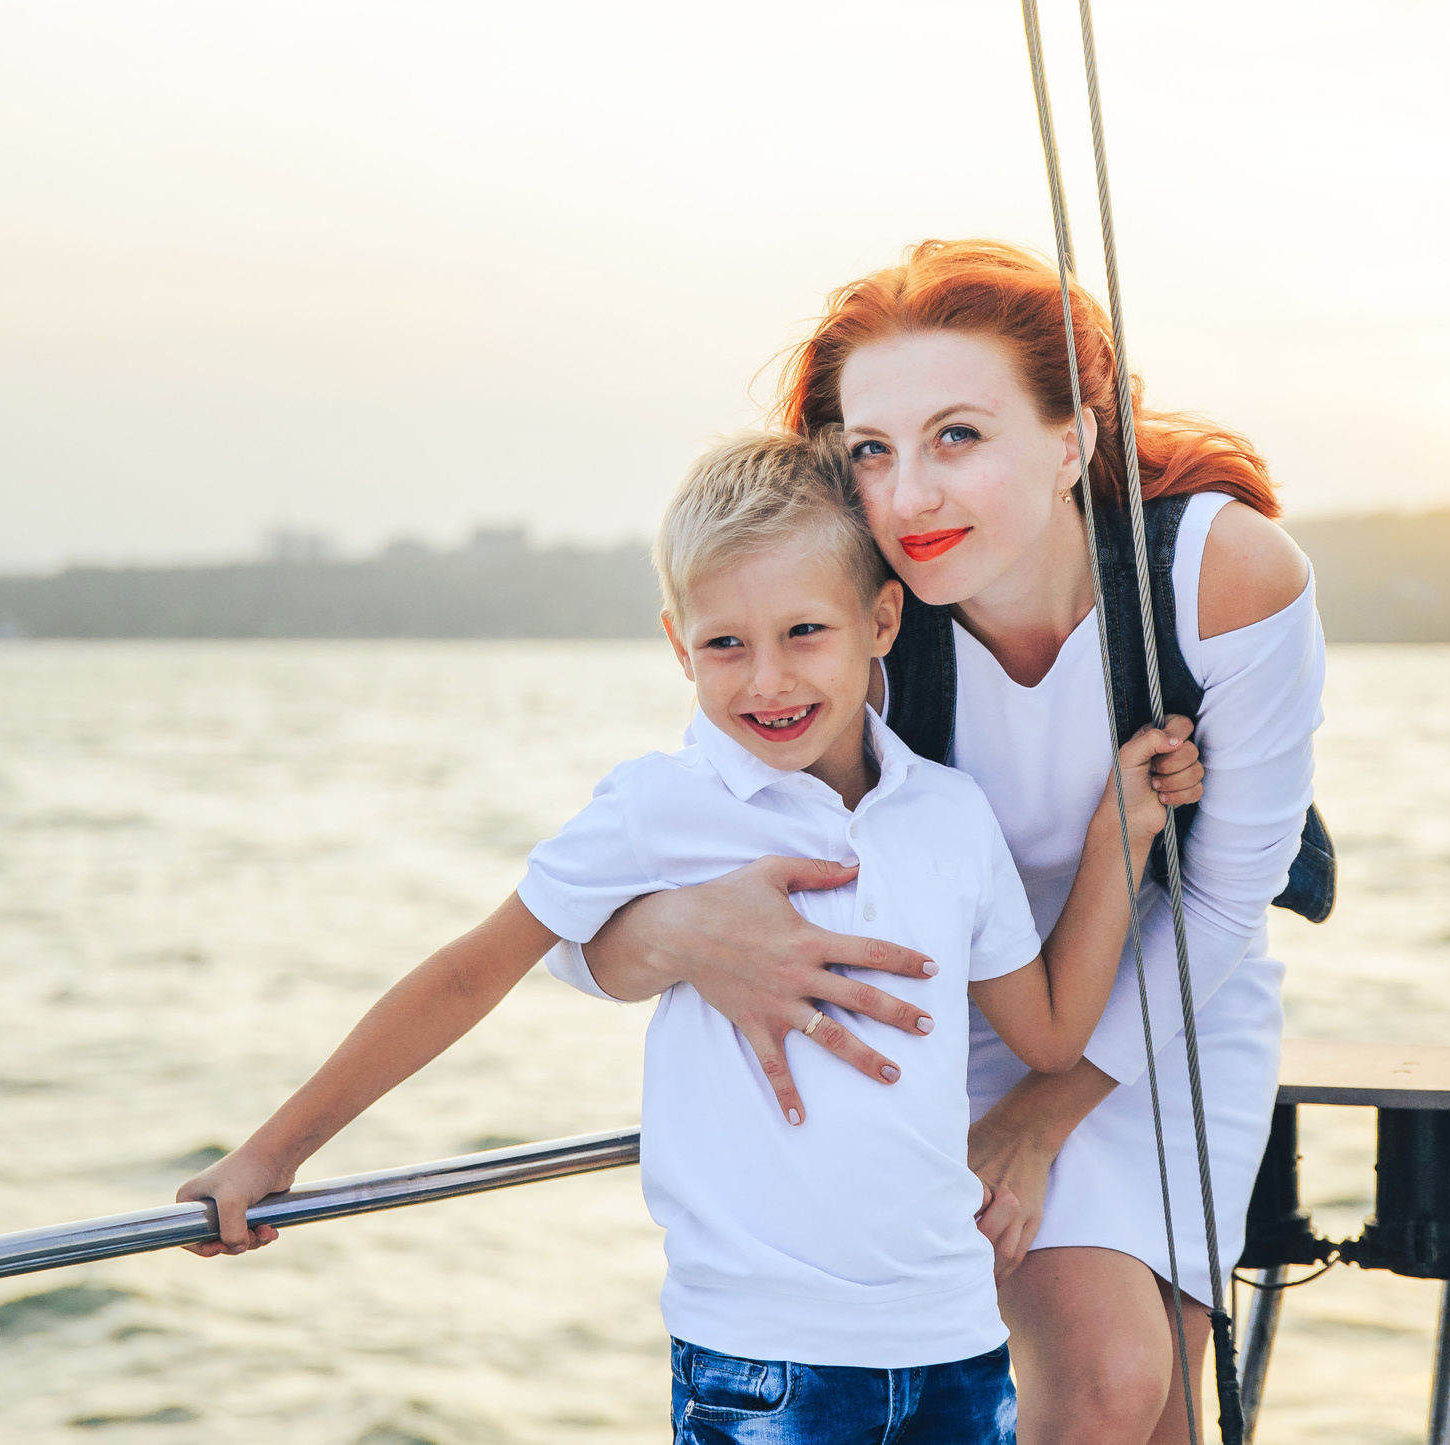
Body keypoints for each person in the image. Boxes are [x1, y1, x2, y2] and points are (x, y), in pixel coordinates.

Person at [175, 428, 1193, 1445]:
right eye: (724, 644)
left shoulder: (951, 814)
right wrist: (270, 1152)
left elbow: (1051, 1034)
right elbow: (467, 975)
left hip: (954, 1344)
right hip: (763, 1358)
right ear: (677, 644)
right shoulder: (659, 805)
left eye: (804, 631)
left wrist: (1118, 836)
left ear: (881, 619)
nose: (767, 681)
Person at [561, 240, 1324, 1445]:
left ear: (1073, 436)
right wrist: (681, 931)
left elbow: (1229, 904)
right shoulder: (845, 606)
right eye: (871, 449)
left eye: (957, 435)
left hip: (1164, 1006)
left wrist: (1042, 1114)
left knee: (1143, 1398)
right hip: (937, 1015)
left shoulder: (1219, 576)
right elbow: (647, 874)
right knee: (1111, 1384)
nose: (907, 494)